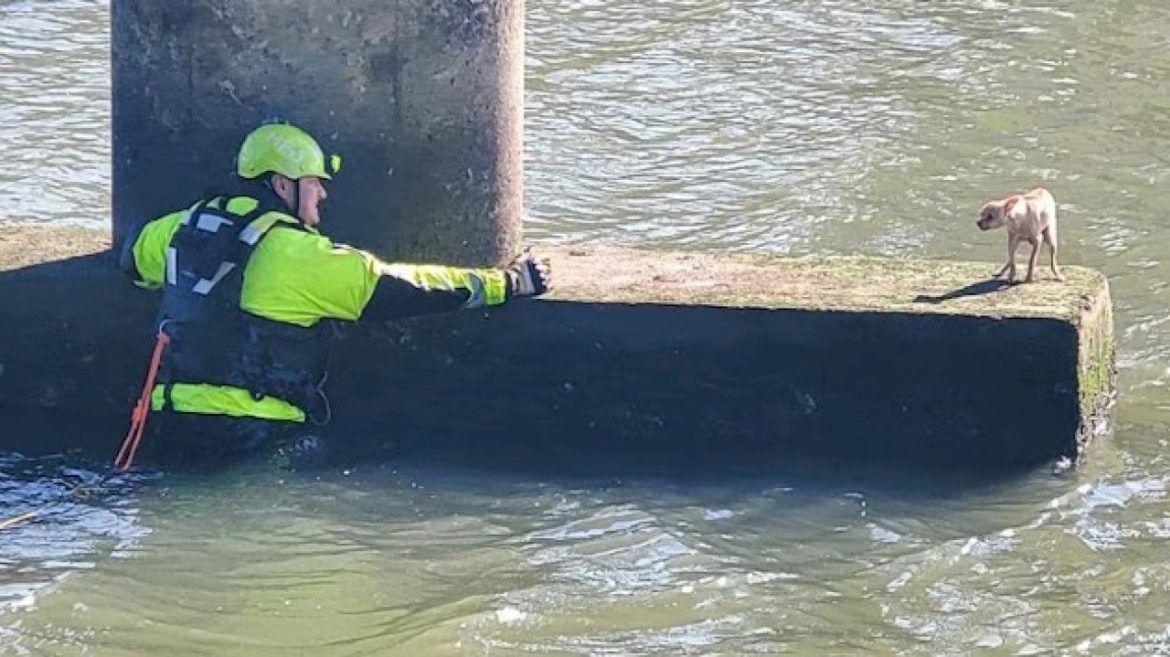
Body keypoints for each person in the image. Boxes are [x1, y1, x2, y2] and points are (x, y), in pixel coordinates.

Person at [117, 122, 550, 467]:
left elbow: (132, 261)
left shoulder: (182, 227)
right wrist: (508, 282)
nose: (323, 193)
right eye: (314, 182)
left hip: (166, 425)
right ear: (282, 185)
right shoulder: (300, 254)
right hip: (254, 436)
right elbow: (405, 288)